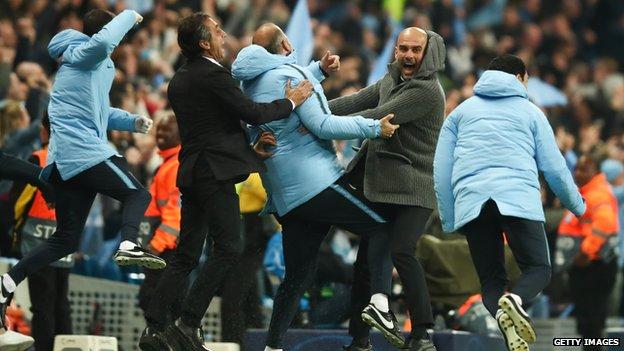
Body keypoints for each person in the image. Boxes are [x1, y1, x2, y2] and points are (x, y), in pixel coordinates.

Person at [139, 13, 313, 351]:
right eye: (218, 31)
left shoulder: (180, 79)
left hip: (191, 173)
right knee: (230, 247)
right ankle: (189, 323)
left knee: (186, 255)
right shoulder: (214, 76)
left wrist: (250, 153)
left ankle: (155, 327)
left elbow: (212, 131)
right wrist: (293, 101)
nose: (224, 36)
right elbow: (253, 113)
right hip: (213, 175)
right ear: (204, 42)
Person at [0, 9, 166, 351]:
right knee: (138, 195)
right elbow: (106, 39)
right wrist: (130, 14)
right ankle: (128, 244)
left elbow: (101, 113)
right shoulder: (85, 54)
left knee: (65, 240)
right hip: (83, 154)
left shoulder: (92, 66)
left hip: (67, 162)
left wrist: (133, 122)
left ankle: (7, 280)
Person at [231, 23, 400, 351]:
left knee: (296, 278)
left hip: (287, 199)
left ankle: (273, 346)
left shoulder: (247, 85)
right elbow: (322, 125)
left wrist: (318, 71)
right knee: (381, 229)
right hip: (317, 184)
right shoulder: (286, 77)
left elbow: (283, 84)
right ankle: (378, 305)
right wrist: (372, 128)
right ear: (285, 43)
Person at [434, 54, 586, 351]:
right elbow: (554, 167)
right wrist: (576, 205)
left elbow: (441, 171)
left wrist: (450, 219)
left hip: (473, 203)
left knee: (491, 281)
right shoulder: (531, 112)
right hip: (517, 198)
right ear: (520, 77)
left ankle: (504, 314)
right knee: (538, 269)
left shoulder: (459, 114)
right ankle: (515, 302)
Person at [328, 27, 446, 351]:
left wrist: (319, 122)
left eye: (415, 50)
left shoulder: (428, 91)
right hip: (382, 186)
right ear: (395, 51)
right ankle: (360, 340)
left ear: (427, 54)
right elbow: (355, 101)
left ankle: (422, 334)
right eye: (403, 48)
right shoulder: (391, 80)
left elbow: (375, 116)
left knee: (402, 252)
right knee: (365, 262)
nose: (408, 55)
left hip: (415, 189)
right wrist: (315, 107)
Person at [10, 114, 72, 351]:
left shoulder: (38, 158)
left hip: (37, 242)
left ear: (45, 131)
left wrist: (14, 233)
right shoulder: (77, 161)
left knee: (43, 306)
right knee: (61, 303)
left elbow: (19, 201)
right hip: (65, 240)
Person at [558, 154, 618, 351]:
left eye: (584, 169)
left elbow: (605, 224)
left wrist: (585, 252)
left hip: (594, 266)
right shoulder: (585, 192)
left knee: (591, 320)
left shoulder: (598, 193)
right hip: (586, 266)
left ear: (596, 172)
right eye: (577, 168)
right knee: (588, 322)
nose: (578, 173)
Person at [137, 112, 182, 316]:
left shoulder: (176, 166)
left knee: (157, 305)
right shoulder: (167, 164)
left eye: (167, 129)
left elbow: (175, 214)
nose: (161, 134)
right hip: (161, 249)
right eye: (159, 129)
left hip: (167, 251)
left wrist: (155, 246)